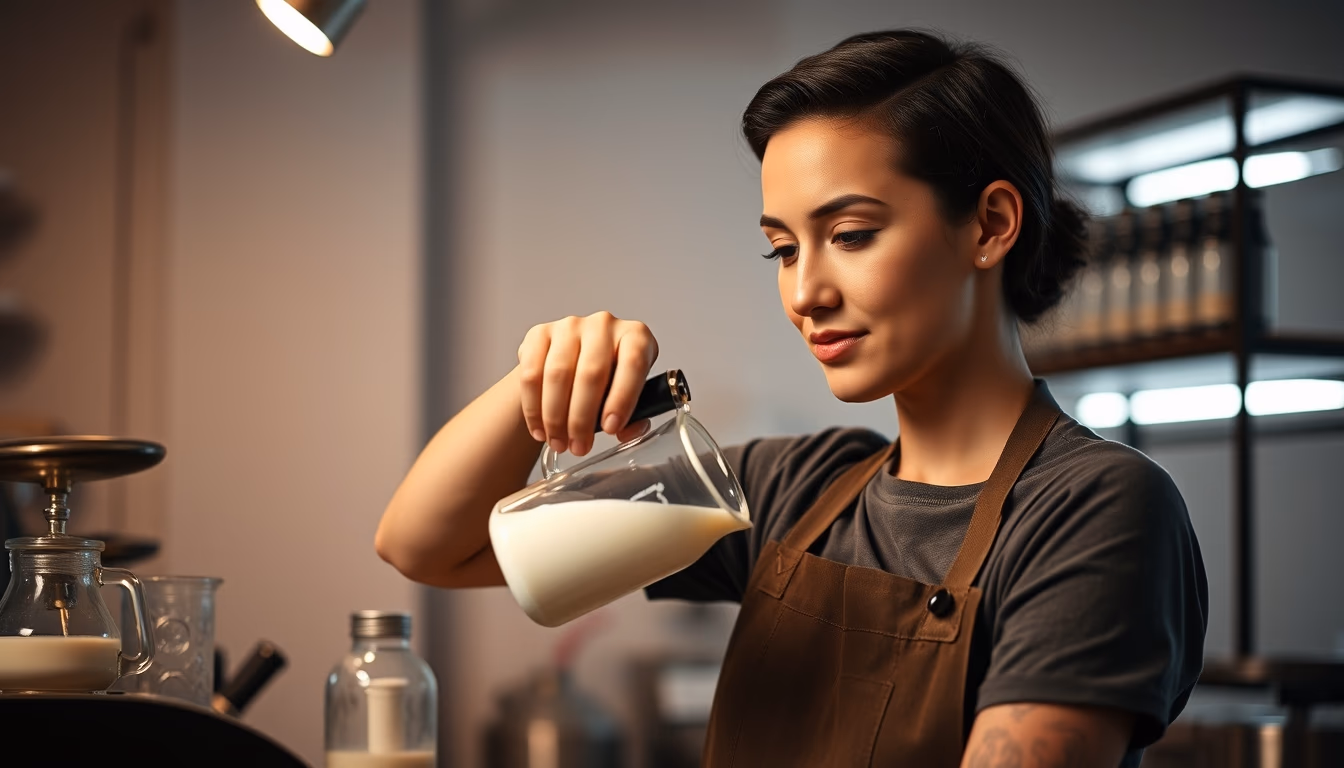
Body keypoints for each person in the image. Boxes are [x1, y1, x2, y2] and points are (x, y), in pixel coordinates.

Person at [376, 29, 1207, 767]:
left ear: (990, 224)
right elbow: (427, 547)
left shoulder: (1097, 509)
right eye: (782, 249)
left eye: (850, 235)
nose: (805, 291)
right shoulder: (789, 492)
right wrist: (538, 373)